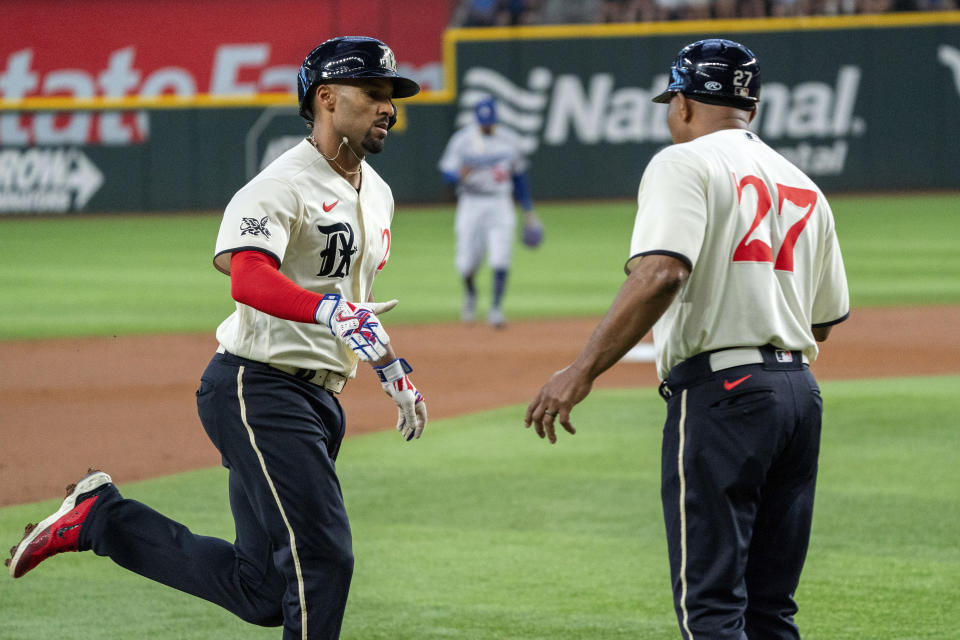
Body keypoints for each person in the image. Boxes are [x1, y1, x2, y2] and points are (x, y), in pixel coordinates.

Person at [6, 36, 427, 640]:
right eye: (375, 93)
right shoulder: (280, 185)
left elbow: (350, 305)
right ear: (327, 98)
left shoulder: (378, 193)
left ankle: (103, 520)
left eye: (392, 96)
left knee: (261, 590)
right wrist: (331, 314)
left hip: (317, 399)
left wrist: (391, 367)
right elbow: (249, 275)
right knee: (323, 560)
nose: (388, 107)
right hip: (258, 390)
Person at [524, 39, 849, 639]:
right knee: (771, 607)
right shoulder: (804, 183)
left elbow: (662, 272)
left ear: (682, 102)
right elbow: (824, 319)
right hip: (800, 395)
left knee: (712, 607)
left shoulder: (683, 161)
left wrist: (582, 370)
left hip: (724, 395)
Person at [438, 97, 539, 328]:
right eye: (483, 122)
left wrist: (528, 210)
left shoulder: (510, 140)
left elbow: (520, 177)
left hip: (500, 202)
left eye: (490, 121)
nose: (487, 125)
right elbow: (447, 172)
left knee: (501, 256)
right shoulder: (463, 140)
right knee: (466, 264)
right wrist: (456, 176)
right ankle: (471, 294)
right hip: (471, 203)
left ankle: (495, 309)